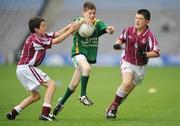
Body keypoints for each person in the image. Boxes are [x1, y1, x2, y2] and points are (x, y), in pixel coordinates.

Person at [6, 16, 83, 121]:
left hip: (22, 69)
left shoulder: (40, 35)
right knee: (51, 84)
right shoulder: (35, 39)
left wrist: (70, 25)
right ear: (36, 29)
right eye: (43, 26)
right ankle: (45, 114)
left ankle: (13, 112)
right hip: (26, 67)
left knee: (35, 96)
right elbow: (57, 41)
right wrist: (70, 30)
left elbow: (57, 34)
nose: (45, 27)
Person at [53, 1, 115, 116]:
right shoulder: (78, 21)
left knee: (73, 85)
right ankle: (83, 96)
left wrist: (111, 30)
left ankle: (60, 104)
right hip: (78, 53)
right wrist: (82, 21)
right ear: (84, 12)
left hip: (87, 57)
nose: (92, 15)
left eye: (94, 13)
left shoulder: (97, 23)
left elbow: (107, 30)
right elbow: (71, 31)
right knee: (86, 69)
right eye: (90, 13)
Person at [105, 9, 160, 119]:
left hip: (140, 67)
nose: (137, 21)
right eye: (136, 18)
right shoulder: (128, 30)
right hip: (127, 61)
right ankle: (113, 109)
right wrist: (117, 44)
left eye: (140, 19)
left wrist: (145, 54)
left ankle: (111, 109)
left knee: (125, 93)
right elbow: (121, 39)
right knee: (126, 83)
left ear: (147, 21)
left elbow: (156, 52)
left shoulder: (149, 36)